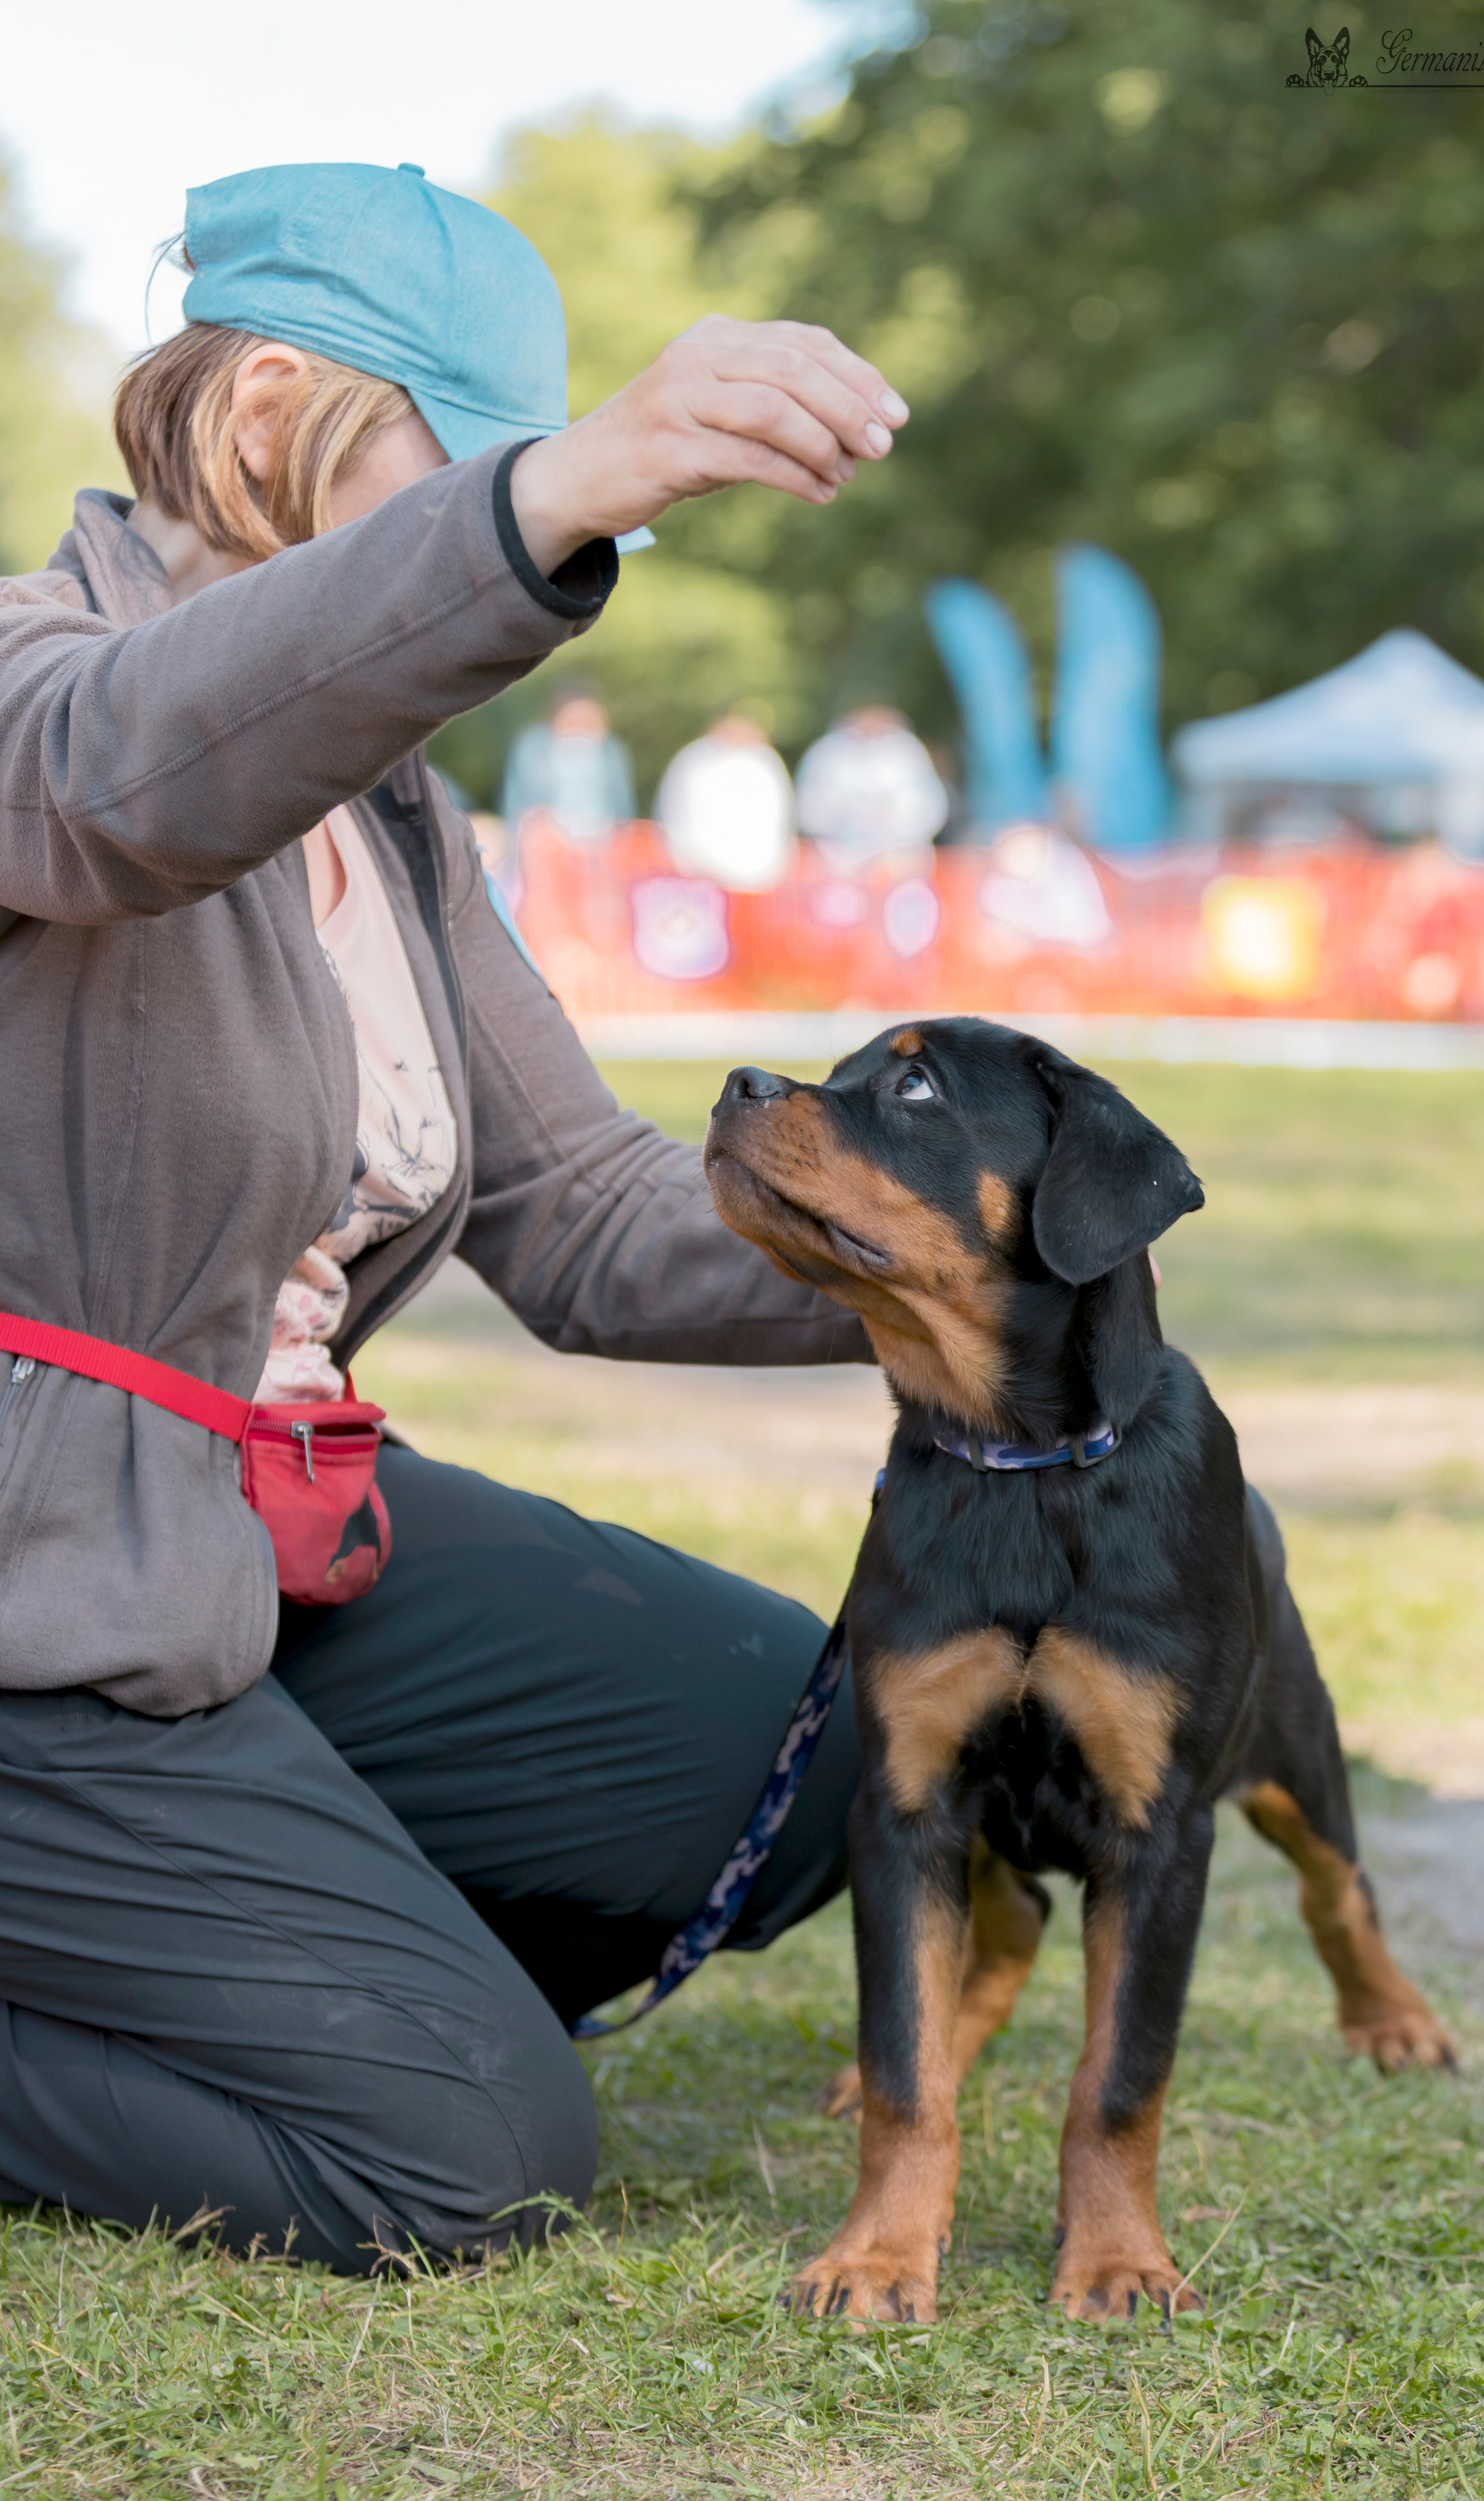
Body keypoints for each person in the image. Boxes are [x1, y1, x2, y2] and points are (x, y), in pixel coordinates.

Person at [0, 160, 909, 2274]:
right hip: (43, 1592)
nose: (552, 546)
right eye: (479, 476)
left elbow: (583, 1212)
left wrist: (952, 1249)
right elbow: (122, 776)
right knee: (468, 2151)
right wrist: (550, 497)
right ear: (262, 416)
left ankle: (262, 1920)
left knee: (800, 1742)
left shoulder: (394, 807)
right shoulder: (45, 681)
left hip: (234, 1541)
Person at [795, 703, 949, 873]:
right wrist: (845, 813)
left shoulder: (907, 752)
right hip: (837, 860)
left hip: (899, 860)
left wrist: (893, 818)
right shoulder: (828, 753)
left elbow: (930, 807)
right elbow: (808, 808)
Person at [656, 711, 797, 891]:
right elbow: (677, 808)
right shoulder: (697, 758)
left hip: (756, 876)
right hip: (699, 872)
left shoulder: (764, 761)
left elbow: (780, 815)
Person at [500, 684, 636, 848]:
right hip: (548, 846)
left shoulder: (611, 749)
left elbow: (622, 806)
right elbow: (519, 804)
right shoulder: (532, 746)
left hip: (601, 846)